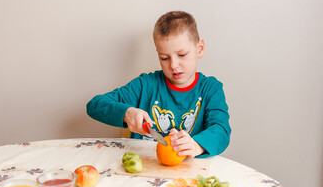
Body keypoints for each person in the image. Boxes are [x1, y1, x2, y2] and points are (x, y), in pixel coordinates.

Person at [86, 11, 231, 158]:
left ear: (199, 49)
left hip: (190, 172)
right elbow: (95, 105)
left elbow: (221, 129)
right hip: (144, 166)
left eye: (181, 55)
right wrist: (127, 113)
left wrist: (197, 145)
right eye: (164, 58)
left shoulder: (211, 89)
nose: (174, 65)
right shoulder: (146, 85)